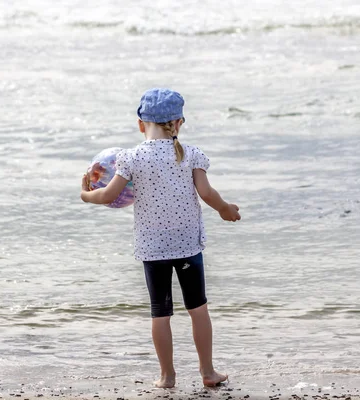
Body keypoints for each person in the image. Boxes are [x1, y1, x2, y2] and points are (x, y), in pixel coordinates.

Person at [80, 88, 241, 388]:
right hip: (187, 246)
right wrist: (225, 209)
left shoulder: (130, 158)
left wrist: (87, 195)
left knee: (160, 313)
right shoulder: (190, 154)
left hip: (152, 250)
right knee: (198, 310)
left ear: (141, 125)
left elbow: (109, 195)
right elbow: (206, 193)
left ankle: (167, 376)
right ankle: (208, 372)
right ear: (179, 123)